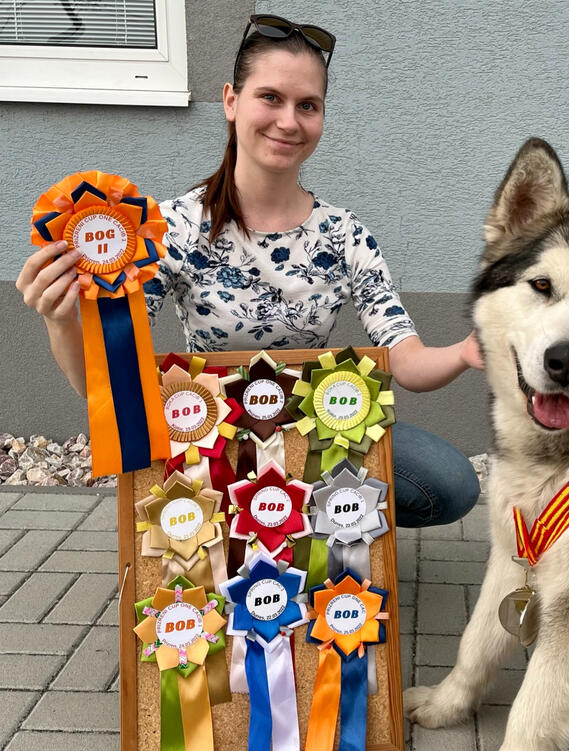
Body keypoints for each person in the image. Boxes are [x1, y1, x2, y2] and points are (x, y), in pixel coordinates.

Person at [16, 14, 484, 527]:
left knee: (449, 481)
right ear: (231, 101)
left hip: (315, 428)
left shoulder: (344, 232)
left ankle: (324, 535)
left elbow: (407, 359)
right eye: (271, 97)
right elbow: (105, 383)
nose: (289, 121)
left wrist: (463, 352)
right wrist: (58, 318)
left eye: (308, 105)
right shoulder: (170, 227)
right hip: (208, 431)